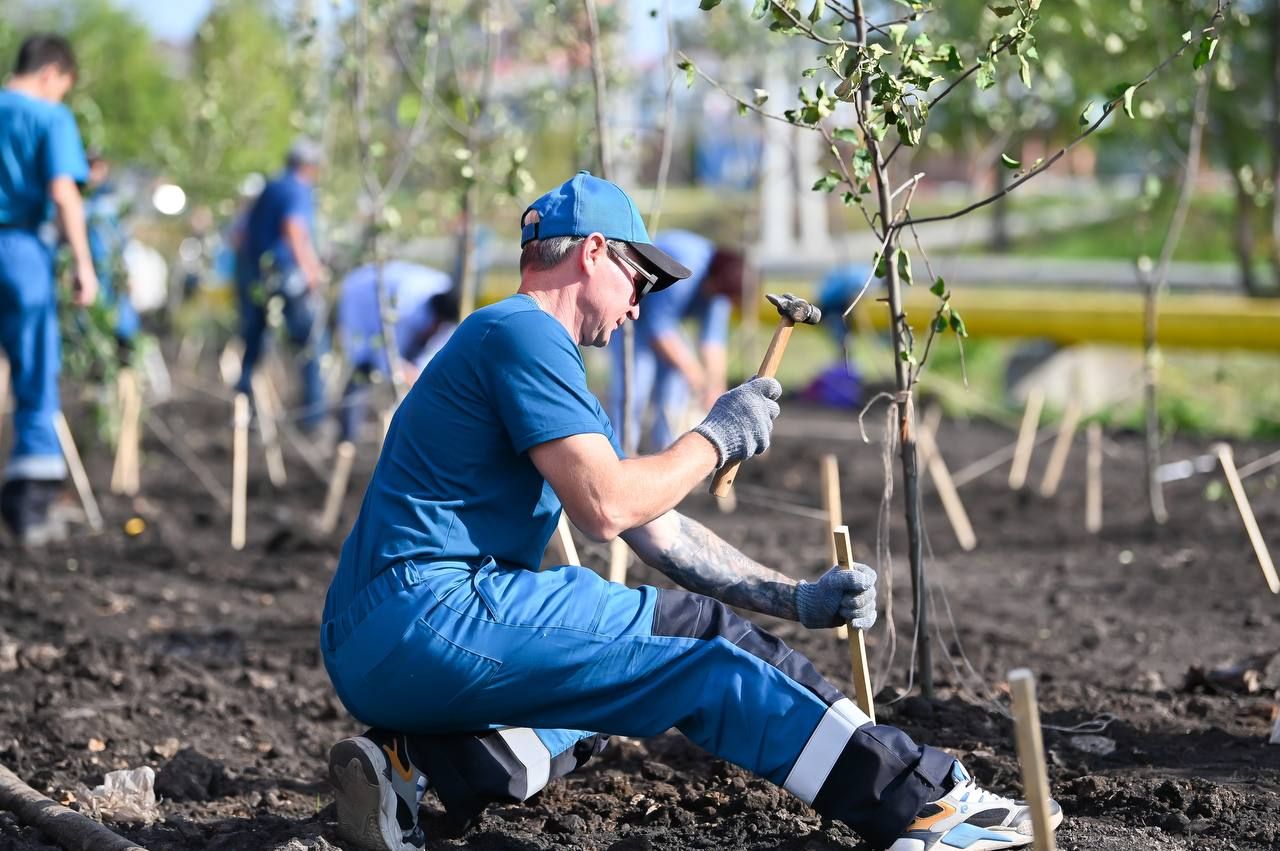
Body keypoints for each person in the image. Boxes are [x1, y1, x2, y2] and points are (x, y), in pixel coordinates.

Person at [321, 171, 1062, 851]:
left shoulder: (507, 343)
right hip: (433, 615)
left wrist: (792, 596)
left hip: (375, 641)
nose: (641, 305)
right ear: (594, 253)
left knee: (619, 687)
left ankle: (415, 767)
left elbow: (658, 527)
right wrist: (715, 438)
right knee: (706, 643)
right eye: (638, 278)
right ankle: (920, 805)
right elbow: (608, 507)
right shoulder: (525, 333)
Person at [0, 34, 97, 546]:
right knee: (36, 371)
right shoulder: (48, 117)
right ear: (52, 74)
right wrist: (83, 262)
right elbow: (63, 191)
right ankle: (30, 505)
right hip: (19, 255)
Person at [606, 229, 741, 452]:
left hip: (665, 323)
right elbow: (659, 330)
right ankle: (621, 453)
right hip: (633, 316)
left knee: (675, 387)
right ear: (712, 280)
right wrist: (698, 380)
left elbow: (713, 341)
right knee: (635, 385)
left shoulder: (721, 287)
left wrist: (715, 389)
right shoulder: (688, 268)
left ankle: (667, 452)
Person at [234, 139, 328, 431]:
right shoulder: (297, 188)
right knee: (312, 344)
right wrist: (311, 271)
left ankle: (244, 412)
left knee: (254, 342)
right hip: (285, 277)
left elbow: (241, 235)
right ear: (310, 167)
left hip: (258, 278)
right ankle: (313, 420)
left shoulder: (270, 186)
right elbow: (293, 229)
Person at [335, 261, 458, 443]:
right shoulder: (404, 309)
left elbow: (435, 351)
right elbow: (387, 357)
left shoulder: (449, 304)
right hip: (360, 298)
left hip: (390, 298)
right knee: (362, 368)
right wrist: (408, 373)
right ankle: (347, 437)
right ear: (432, 316)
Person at [83, 149, 139, 355]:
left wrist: (128, 272)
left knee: (121, 332)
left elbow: (121, 244)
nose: (92, 173)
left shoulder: (110, 202)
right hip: (88, 275)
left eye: (96, 166)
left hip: (110, 277)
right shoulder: (80, 200)